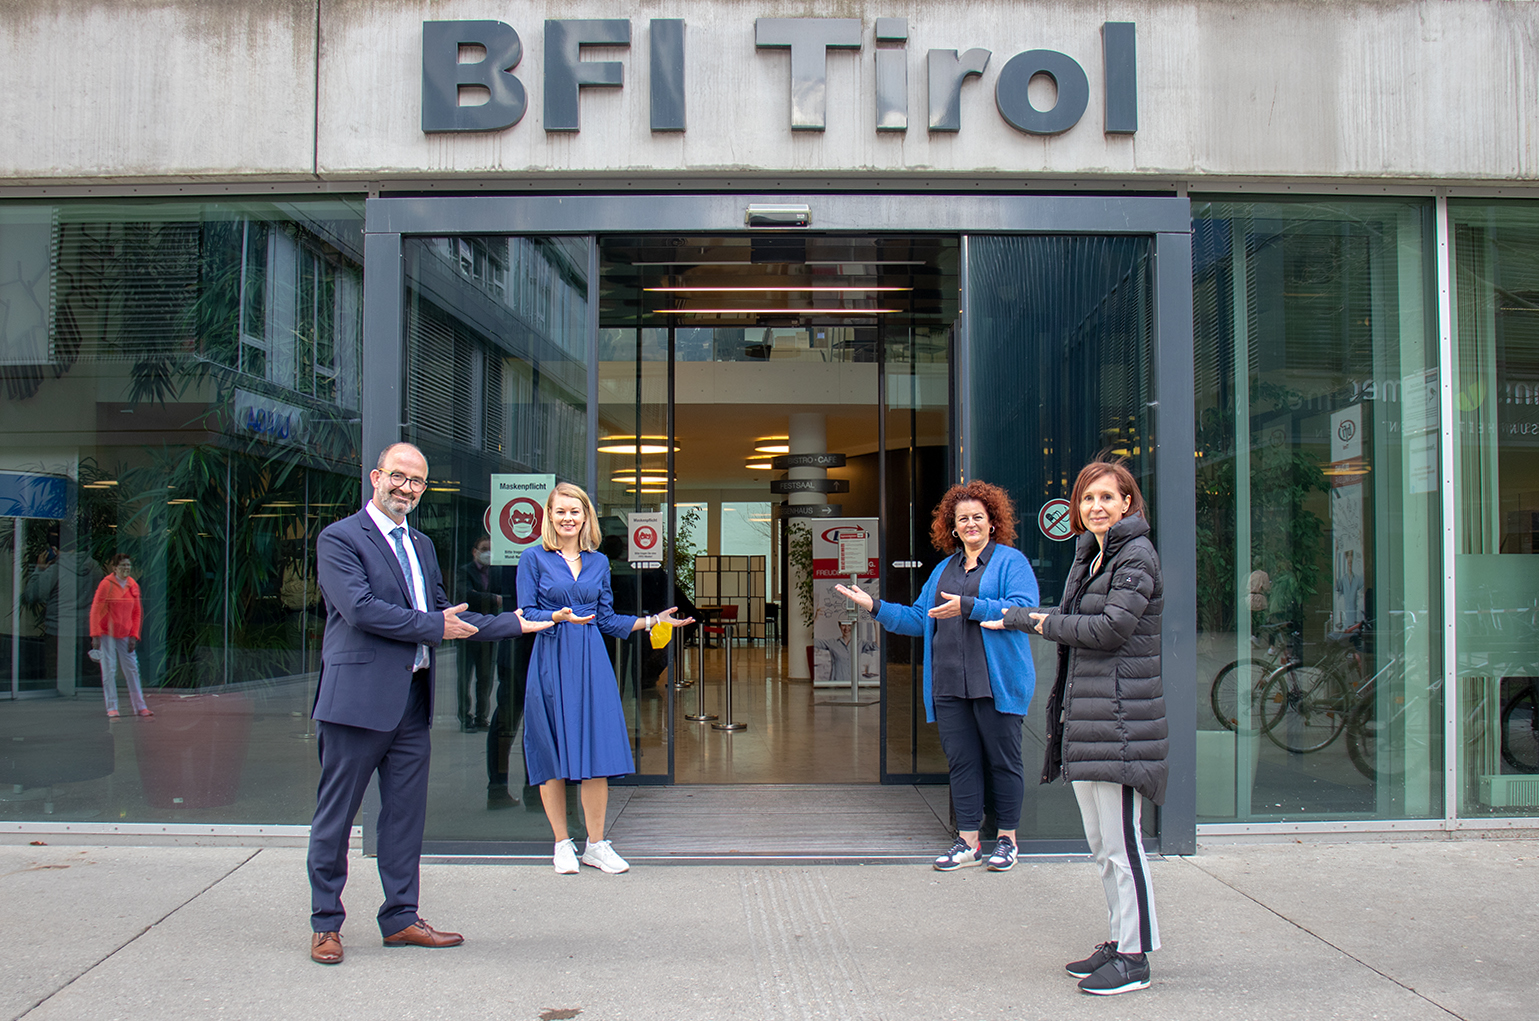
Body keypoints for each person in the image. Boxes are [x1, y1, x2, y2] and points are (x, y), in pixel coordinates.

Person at [305, 442, 552, 966]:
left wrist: (522, 622)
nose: (407, 488)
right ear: (376, 477)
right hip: (355, 703)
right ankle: (326, 924)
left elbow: (448, 615)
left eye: (417, 482)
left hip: (412, 704)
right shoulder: (340, 538)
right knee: (336, 816)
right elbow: (361, 610)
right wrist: (435, 626)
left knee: (403, 818)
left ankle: (400, 918)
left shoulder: (422, 545)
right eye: (399, 477)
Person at [985, 460, 1166, 996]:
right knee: (1102, 843)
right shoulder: (1092, 556)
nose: (1096, 507)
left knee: (1123, 844)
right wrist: (1022, 618)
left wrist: (1034, 620)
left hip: (1121, 720)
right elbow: (1077, 623)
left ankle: (1135, 958)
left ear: (1128, 503)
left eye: (1108, 498)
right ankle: (1119, 938)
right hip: (1090, 716)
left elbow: (1110, 629)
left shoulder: (1135, 556)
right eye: (1087, 499)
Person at [835, 480, 1038, 873]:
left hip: (995, 682)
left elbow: (1022, 612)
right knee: (962, 763)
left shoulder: (1011, 563)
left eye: (978, 517)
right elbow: (917, 619)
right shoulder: (944, 569)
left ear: (992, 522)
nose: (971, 524)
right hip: (948, 683)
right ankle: (968, 842)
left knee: (1003, 762)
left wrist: (969, 606)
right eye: (962, 519)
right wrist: (874, 606)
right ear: (952, 526)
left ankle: (1008, 840)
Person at [518, 482, 694, 875]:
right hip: (552, 659)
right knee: (554, 753)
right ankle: (562, 843)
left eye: (575, 511)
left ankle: (595, 845)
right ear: (549, 516)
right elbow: (526, 614)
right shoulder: (533, 559)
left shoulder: (598, 563)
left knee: (594, 752)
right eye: (560, 511)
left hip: (592, 662)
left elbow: (609, 620)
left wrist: (652, 621)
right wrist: (555, 617)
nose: (567, 518)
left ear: (586, 517)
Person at [90, 553, 150, 719]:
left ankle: (140, 706)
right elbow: (96, 610)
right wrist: (95, 634)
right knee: (109, 668)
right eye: (123, 565)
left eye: (128, 565)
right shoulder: (106, 585)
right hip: (106, 632)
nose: (126, 568)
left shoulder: (133, 585)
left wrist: (134, 635)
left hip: (124, 632)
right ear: (115, 568)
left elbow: (137, 612)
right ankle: (112, 706)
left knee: (132, 668)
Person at [456, 534, 500, 731]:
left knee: (485, 677)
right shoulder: (465, 571)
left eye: (490, 549)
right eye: (483, 549)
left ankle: (482, 717)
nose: (487, 553)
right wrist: (493, 598)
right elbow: (466, 596)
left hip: (489, 632)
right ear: (475, 551)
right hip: (466, 632)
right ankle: (465, 718)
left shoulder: (496, 572)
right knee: (464, 677)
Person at [813, 619, 879, 683]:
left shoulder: (860, 643)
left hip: (855, 685)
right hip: (836, 684)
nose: (846, 628)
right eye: (843, 625)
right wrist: (815, 620)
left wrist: (876, 623)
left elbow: (877, 646)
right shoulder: (832, 643)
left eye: (849, 625)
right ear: (839, 626)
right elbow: (814, 642)